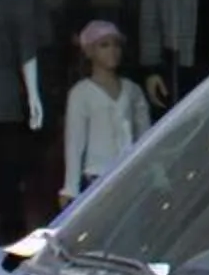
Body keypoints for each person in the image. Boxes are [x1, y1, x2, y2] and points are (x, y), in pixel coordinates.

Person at [60, 20, 153, 205]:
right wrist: (70, 187)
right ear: (89, 51)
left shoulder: (133, 90)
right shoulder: (81, 93)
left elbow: (146, 136)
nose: (112, 51)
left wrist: (154, 173)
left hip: (131, 176)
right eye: (104, 45)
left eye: (116, 45)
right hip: (96, 179)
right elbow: (74, 143)